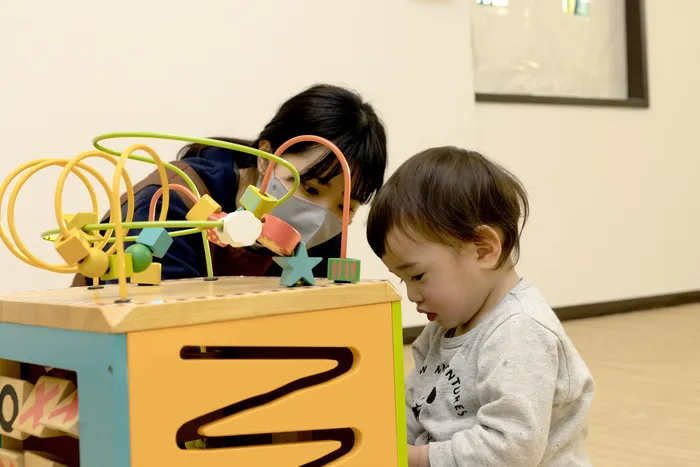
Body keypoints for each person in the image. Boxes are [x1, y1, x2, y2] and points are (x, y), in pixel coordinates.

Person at [366, 147, 594, 466]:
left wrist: (415, 458)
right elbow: (413, 408)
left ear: (483, 249)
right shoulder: (442, 328)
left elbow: (510, 449)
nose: (412, 294)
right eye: (403, 280)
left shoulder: (520, 331)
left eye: (417, 275)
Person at [71, 83, 387, 286]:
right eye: (310, 189)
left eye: (346, 206)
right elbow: (148, 327)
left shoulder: (321, 241)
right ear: (265, 156)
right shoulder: (170, 201)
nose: (318, 216)